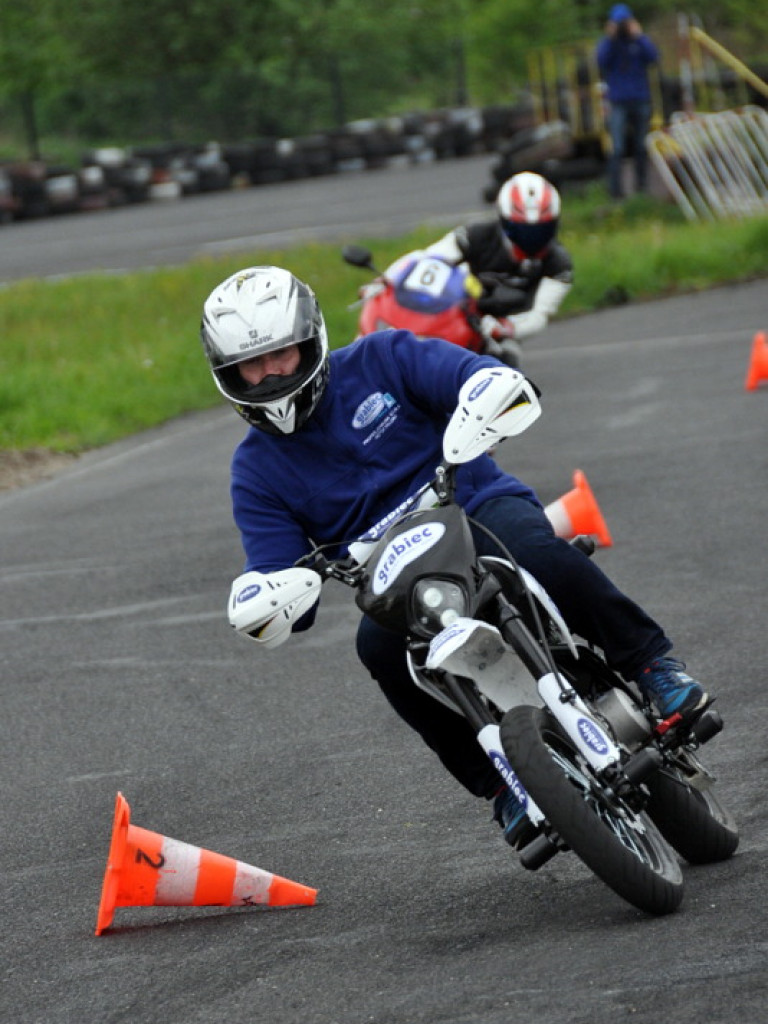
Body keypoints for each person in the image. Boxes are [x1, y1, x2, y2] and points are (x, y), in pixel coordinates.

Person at [200, 265, 708, 849]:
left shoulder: (383, 357)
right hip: (394, 580)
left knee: (532, 549)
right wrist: (266, 594)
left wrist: (486, 390)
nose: (269, 373)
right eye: (251, 364)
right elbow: (275, 571)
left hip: (473, 506)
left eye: (281, 354)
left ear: (310, 340)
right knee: (377, 649)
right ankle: (501, 786)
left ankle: (652, 666)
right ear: (227, 373)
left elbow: (474, 374)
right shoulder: (254, 470)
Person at [422, 171, 573, 366]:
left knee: (508, 362)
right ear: (504, 220)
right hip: (448, 312)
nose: (531, 239)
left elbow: (539, 315)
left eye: (541, 230)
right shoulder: (473, 235)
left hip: (496, 329)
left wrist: (504, 328)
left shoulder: (559, 265)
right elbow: (428, 260)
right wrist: (391, 282)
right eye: (522, 230)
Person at [596, 4, 659, 199]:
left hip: (640, 98)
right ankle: (616, 193)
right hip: (618, 102)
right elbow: (600, 61)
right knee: (617, 148)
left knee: (641, 146)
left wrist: (640, 36)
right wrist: (610, 38)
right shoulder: (610, 45)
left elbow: (654, 57)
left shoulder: (638, 42)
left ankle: (642, 188)